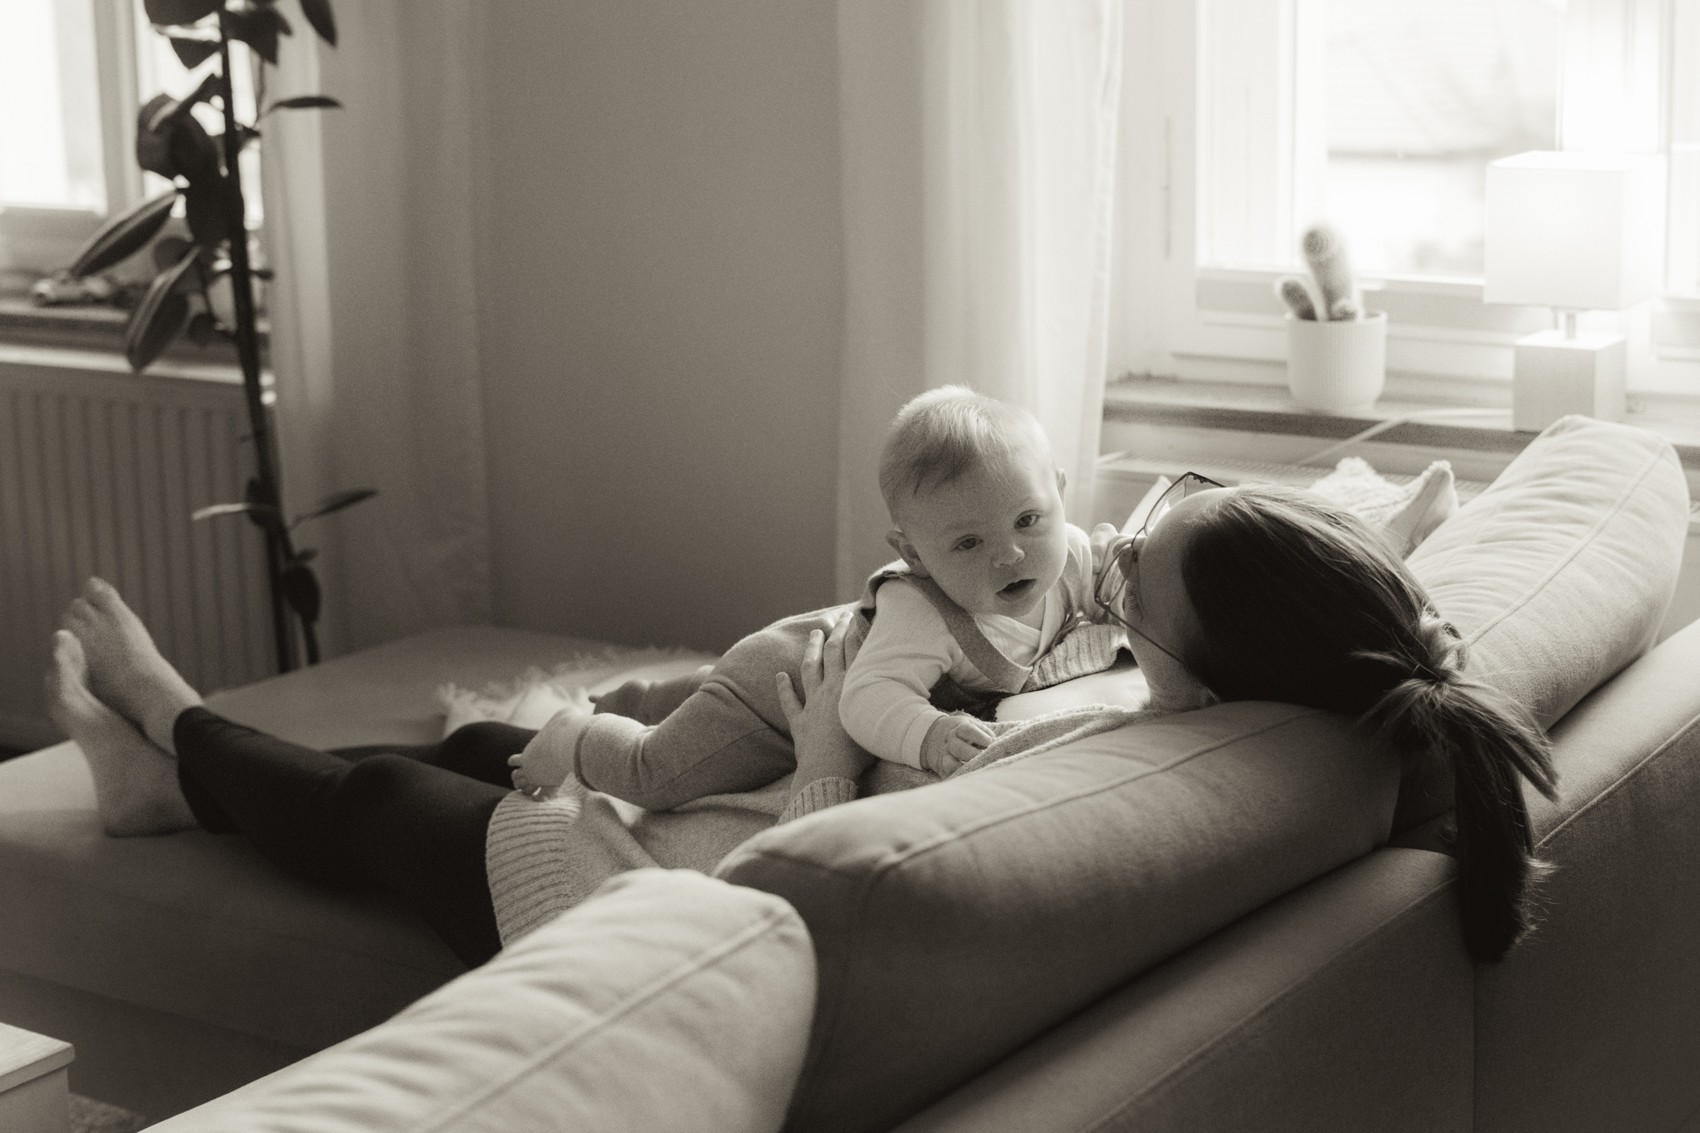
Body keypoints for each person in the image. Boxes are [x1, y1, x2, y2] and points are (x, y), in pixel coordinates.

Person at [51, 475, 1557, 966]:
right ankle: (176, 791)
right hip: (690, 806)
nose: (1107, 562)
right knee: (464, 748)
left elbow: (836, 877)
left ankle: (174, 721)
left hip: (653, 892)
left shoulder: (1097, 751)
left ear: (1203, 659)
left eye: (1137, 574)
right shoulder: (1259, 704)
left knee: (380, 811)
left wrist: (832, 734)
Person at [510, 385, 1126, 807]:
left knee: (698, 695)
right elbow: (868, 701)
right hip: (776, 698)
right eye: (967, 544)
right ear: (914, 555)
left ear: (1059, 492)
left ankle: (644, 697)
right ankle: (576, 736)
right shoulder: (923, 618)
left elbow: (1110, 578)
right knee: (660, 774)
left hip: (802, 643)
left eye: (1027, 520)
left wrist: (1129, 572)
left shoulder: (1070, 555)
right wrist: (930, 735)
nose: (1010, 554)